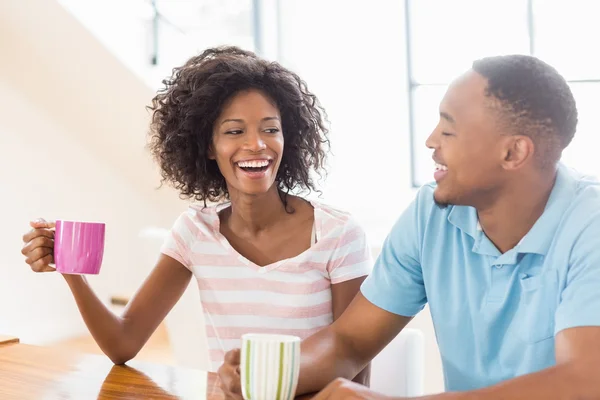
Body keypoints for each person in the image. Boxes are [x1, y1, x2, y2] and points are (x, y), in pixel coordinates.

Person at [218, 54, 600, 399]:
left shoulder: (590, 224)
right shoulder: (432, 213)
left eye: (448, 131)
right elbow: (350, 341)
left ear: (513, 152)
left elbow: (585, 381)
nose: (431, 140)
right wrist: (280, 372)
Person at [20, 46, 372, 378]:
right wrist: (71, 271)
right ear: (207, 147)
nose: (256, 144)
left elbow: (354, 369)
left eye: (270, 129)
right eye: (235, 131)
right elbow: (122, 343)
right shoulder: (195, 232)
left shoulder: (337, 234)